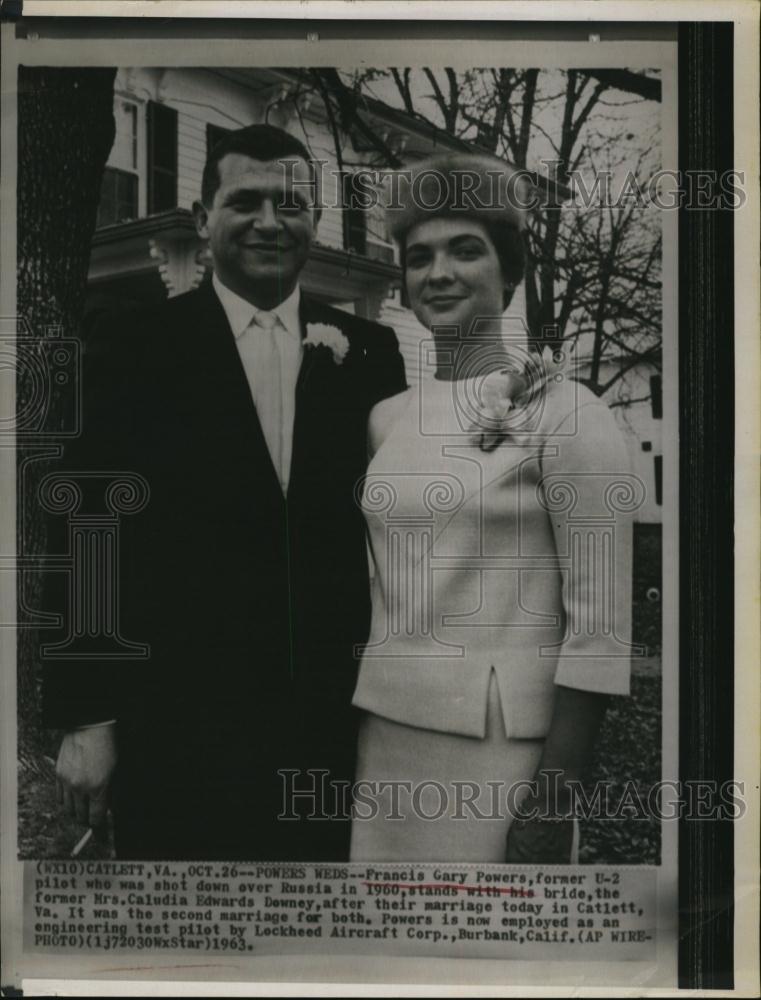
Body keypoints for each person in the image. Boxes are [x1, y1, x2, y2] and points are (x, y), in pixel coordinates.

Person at [42, 123, 406, 860]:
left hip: (330, 732)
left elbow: (400, 534)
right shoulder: (126, 344)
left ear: (314, 221)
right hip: (176, 727)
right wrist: (88, 717)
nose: (270, 222)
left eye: (291, 203)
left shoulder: (368, 354)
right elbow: (84, 532)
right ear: (205, 217)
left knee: (315, 949)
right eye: (245, 201)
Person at [349, 152, 635, 862]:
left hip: (505, 756)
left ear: (509, 273)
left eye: (464, 250)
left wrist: (552, 800)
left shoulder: (568, 411)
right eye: (419, 257)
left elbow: (599, 631)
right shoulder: (385, 418)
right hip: (385, 735)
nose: (438, 272)